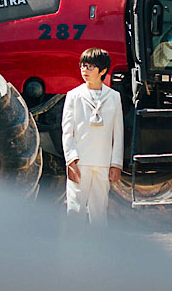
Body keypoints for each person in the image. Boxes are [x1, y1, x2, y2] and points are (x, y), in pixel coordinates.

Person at [61, 47, 124, 227]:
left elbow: (118, 133)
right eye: (83, 65)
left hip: (103, 163)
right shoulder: (73, 95)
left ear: (103, 70)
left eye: (90, 67)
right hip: (80, 162)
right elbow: (67, 130)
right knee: (74, 210)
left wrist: (116, 164)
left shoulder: (114, 97)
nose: (84, 70)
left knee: (99, 212)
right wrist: (71, 160)